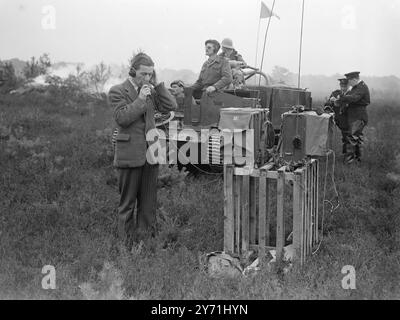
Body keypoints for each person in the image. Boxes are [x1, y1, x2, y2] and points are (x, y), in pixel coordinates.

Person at [108, 52, 177, 249]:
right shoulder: (117, 91)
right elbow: (122, 118)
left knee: (148, 205)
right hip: (129, 154)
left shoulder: (150, 90)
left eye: (150, 74)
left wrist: (158, 86)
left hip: (150, 154)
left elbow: (171, 106)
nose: (147, 78)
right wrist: (140, 98)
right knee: (127, 204)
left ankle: (146, 245)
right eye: (143, 74)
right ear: (132, 71)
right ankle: (126, 247)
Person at [338, 71, 370, 163]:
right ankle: (359, 160)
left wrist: (342, 98)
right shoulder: (357, 87)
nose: (349, 83)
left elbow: (354, 98)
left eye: (350, 81)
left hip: (358, 116)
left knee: (352, 138)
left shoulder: (361, 87)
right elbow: (351, 97)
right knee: (358, 138)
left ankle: (349, 162)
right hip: (356, 116)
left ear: (355, 79)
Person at [324, 78, 351, 155]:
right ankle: (326, 151)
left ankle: (347, 155)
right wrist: (330, 102)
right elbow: (327, 105)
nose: (343, 88)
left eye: (345, 86)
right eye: (341, 86)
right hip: (337, 119)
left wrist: (339, 102)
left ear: (348, 86)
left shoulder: (351, 94)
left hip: (347, 120)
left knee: (347, 138)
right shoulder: (335, 93)